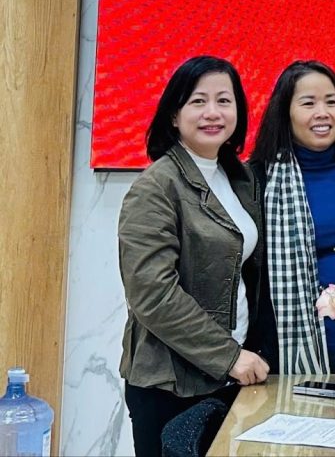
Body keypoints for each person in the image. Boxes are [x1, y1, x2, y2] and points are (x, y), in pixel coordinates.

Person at [118, 56, 267, 457]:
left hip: (229, 377)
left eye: (224, 101)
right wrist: (228, 356)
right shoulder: (156, 186)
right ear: (173, 114)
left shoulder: (240, 179)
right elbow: (153, 294)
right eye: (198, 101)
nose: (213, 113)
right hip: (171, 385)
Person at [250, 60, 335, 375]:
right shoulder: (258, 179)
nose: (323, 113)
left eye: (331, 102)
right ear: (285, 113)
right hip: (291, 353)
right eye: (308, 104)